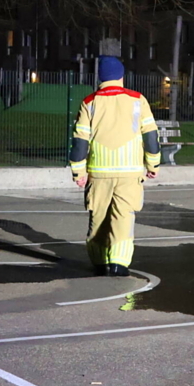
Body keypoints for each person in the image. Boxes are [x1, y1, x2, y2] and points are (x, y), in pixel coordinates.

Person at [70, 56, 160, 277]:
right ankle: (119, 264)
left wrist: (78, 172)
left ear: (100, 77)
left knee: (98, 217)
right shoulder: (137, 99)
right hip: (129, 173)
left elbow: (80, 141)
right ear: (121, 76)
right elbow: (151, 136)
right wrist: (153, 164)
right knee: (123, 217)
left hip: (98, 173)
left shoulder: (89, 102)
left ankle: (99, 262)